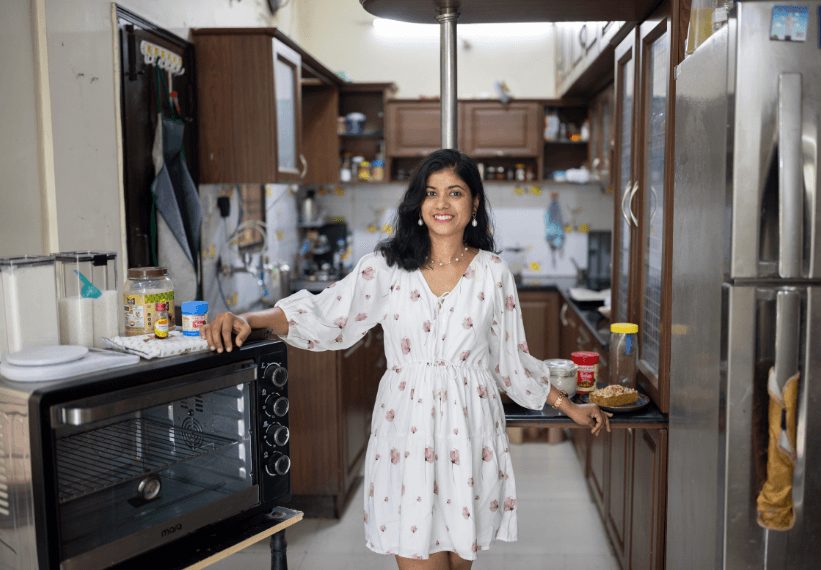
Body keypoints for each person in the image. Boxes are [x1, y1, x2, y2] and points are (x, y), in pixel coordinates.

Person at [201, 149, 612, 569]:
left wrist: (569, 407)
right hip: (408, 432)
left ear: (473, 204)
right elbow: (327, 312)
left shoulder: (493, 272)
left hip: (468, 433)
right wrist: (249, 319)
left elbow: (513, 360)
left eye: (455, 192)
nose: (442, 203)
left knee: (457, 559)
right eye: (431, 193)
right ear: (418, 205)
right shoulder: (387, 268)